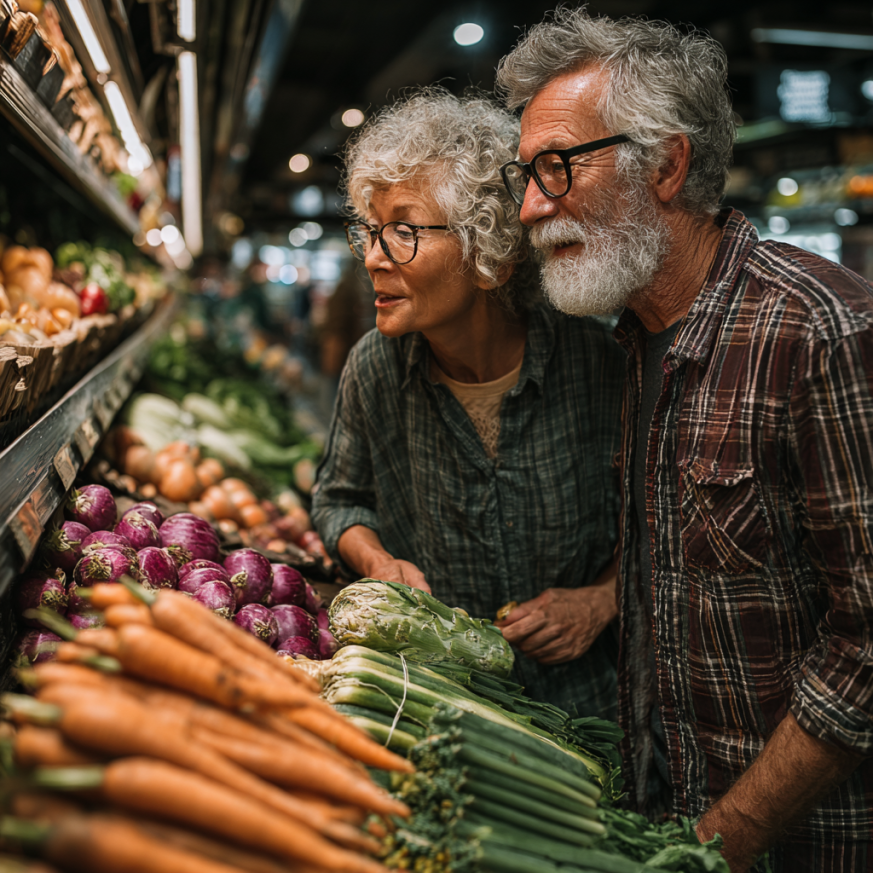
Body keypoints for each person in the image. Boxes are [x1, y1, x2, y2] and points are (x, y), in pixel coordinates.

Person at [496, 9, 873, 872]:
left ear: (665, 164)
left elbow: (864, 647)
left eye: (554, 168)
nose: (526, 208)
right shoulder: (632, 338)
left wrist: (722, 837)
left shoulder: (817, 329)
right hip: (665, 819)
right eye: (525, 175)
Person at [311, 89, 625, 718]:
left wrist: (600, 601)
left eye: (403, 231)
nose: (373, 257)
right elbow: (338, 499)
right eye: (370, 231)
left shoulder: (602, 364)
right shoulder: (375, 369)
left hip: (595, 711)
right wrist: (375, 559)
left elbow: (660, 527)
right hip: (441, 712)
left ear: (493, 255)